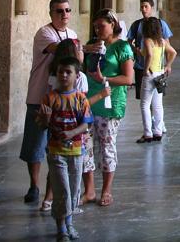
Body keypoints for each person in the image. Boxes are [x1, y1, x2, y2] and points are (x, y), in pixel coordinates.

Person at [38, 55, 110, 242]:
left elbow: (85, 124)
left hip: (76, 151)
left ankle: (69, 222)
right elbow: (41, 124)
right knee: (62, 189)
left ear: (76, 76)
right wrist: (45, 119)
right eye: (60, 72)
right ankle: (61, 226)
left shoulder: (80, 99)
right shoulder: (49, 98)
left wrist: (71, 134)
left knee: (74, 189)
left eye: (68, 72)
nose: (63, 75)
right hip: (56, 152)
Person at [20, 0, 78, 205]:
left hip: (61, 101)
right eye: (59, 11)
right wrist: (81, 50)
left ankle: (51, 189)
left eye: (67, 10)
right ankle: (34, 185)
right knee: (35, 144)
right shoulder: (44, 33)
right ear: (51, 13)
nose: (64, 14)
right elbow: (62, 51)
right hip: (39, 96)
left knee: (56, 147)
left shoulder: (72, 34)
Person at [82, 10, 133, 207]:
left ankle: (106, 190)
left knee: (106, 146)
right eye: (95, 26)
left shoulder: (122, 47)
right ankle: (89, 190)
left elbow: (128, 79)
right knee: (85, 146)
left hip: (110, 103)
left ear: (112, 24)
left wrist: (104, 79)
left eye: (101, 26)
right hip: (89, 102)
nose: (97, 30)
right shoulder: (93, 46)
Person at [38, 39, 93, 212]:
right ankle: (69, 207)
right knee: (73, 173)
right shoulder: (80, 77)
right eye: (79, 49)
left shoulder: (53, 75)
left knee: (56, 171)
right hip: (74, 135)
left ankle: (49, 198)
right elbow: (81, 106)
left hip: (58, 129)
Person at [137, 15, 177, 143]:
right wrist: (167, 65)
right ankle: (158, 132)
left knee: (144, 104)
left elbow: (149, 54)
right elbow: (173, 53)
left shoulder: (147, 40)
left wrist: (145, 69)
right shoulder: (162, 41)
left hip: (150, 74)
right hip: (159, 74)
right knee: (158, 105)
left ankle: (148, 133)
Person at [126, 0, 171, 106]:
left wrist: (168, 64)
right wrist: (134, 50)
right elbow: (129, 41)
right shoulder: (136, 25)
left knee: (156, 99)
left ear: (151, 8)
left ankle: (155, 120)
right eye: (142, 7)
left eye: (146, 6)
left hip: (157, 67)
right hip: (141, 65)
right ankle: (150, 120)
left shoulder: (161, 24)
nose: (143, 9)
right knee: (144, 98)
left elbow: (167, 45)